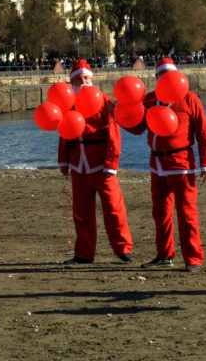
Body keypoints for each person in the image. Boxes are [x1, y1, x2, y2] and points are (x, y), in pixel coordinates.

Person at [124, 57, 206, 272]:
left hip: (182, 164)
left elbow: (204, 133)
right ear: (156, 78)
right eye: (161, 75)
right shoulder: (149, 100)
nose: (165, 79)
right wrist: (120, 116)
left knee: (187, 213)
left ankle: (193, 258)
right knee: (160, 212)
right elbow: (138, 128)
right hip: (157, 163)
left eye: (168, 75)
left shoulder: (190, 99)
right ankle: (164, 254)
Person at [58, 59, 134, 265]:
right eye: (78, 80)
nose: (82, 82)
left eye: (85, 78)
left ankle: (123, 249)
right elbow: (63, 132)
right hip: (78, 165)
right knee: (81, 212)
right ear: (71, 82)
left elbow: (114, 134)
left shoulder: (103, 101)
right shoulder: (67, 103)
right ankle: (84, 253)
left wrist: (112, 164)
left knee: (114, 209)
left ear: (91, 79)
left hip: (102, 165)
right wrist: (63, 161)